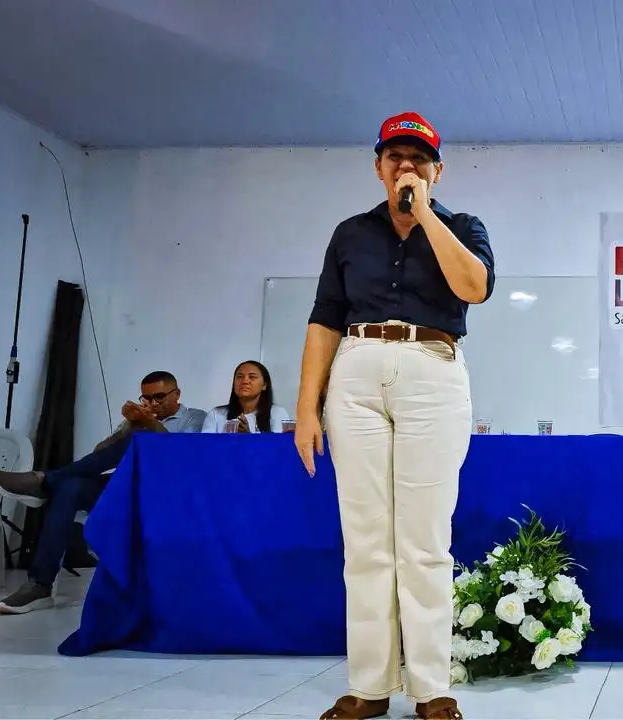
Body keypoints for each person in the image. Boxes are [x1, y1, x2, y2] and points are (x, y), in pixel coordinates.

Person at [294, 111, 494, 720]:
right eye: (395, 158)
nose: (406, 168)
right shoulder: (351, 233)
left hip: (433, 365)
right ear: (378, 167)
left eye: (419, 159)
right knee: (365, 540)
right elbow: (325, 317)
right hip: (355, 370)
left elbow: (475, 288)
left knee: (425, 540)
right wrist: (307, 408)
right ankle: (369, 686)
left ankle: (432, 688)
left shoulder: (462, 225)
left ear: (438, 169)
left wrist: (425, 215)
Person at [0, 371, 205, 614]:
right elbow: (101, 453)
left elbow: (182, 456)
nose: (153, 404)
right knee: (70, 489)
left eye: (160, 397)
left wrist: (148, 426)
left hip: (164, 490)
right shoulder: (140, 420)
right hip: (126, 484)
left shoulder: (195, 418)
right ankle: (40, 586)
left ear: (177, 393)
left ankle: (44, 481)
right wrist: (129, 427)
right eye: (147, 398)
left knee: (142, 440)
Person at [200, 360, 292, 433]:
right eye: (239, 377)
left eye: (252, 377)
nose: (245, 381)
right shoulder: (216, 414)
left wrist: (248, 438)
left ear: (264, 385)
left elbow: (279, 451)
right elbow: (205, 448)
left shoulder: (277, 413)